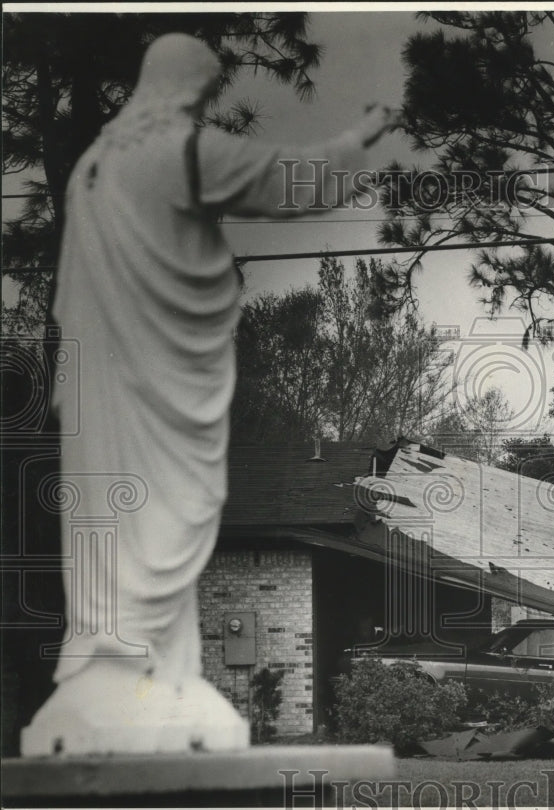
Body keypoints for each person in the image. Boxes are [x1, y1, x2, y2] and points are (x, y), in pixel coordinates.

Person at [22, 33, 398, 756]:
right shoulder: (176, 152)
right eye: (201, 89)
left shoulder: (93, 167)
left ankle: (126, 660)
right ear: (181, 89)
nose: (202, 102)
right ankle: (136, 671)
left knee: (109, 509)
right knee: (168, 510)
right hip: (152, 382)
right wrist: (360, 136)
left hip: (98, 383)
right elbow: (291, 180)